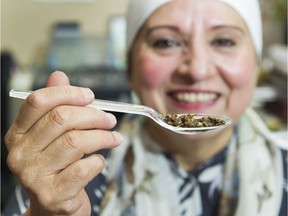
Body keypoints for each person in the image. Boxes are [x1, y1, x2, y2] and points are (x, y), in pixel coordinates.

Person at [3, 0, 287, 215]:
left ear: (256, 63)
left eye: (223, 41)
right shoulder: (69, 169)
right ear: (131, 66)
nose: (197, 70)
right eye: (166, 42)